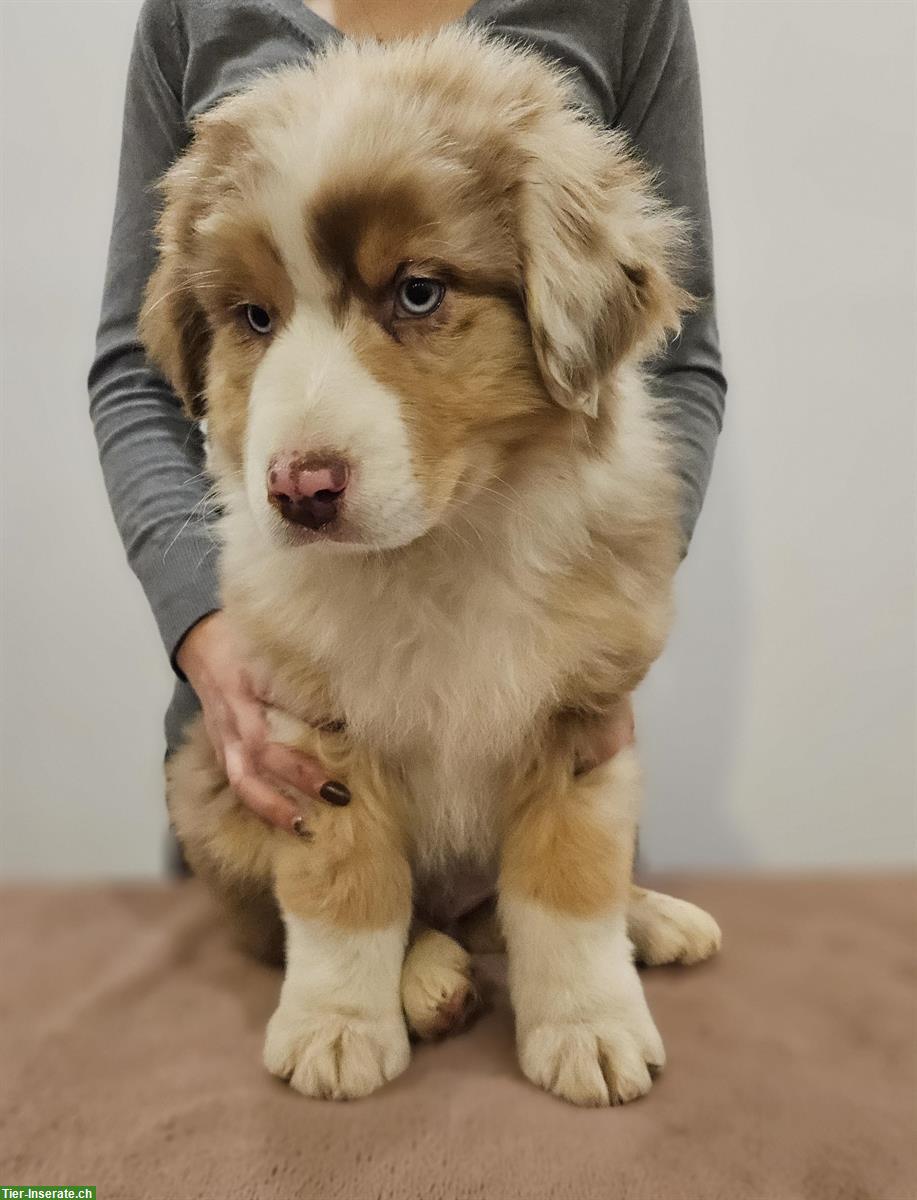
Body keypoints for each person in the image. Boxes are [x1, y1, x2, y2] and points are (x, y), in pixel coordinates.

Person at [89, 0, 726, 841]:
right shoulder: (192, 11)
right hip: (288, 728)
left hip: (536, 708)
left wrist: (610, 618)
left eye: (416, 295)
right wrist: (204, 631)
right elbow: (144, 367)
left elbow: (673, 357)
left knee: (555, 950)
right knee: (310, 943)